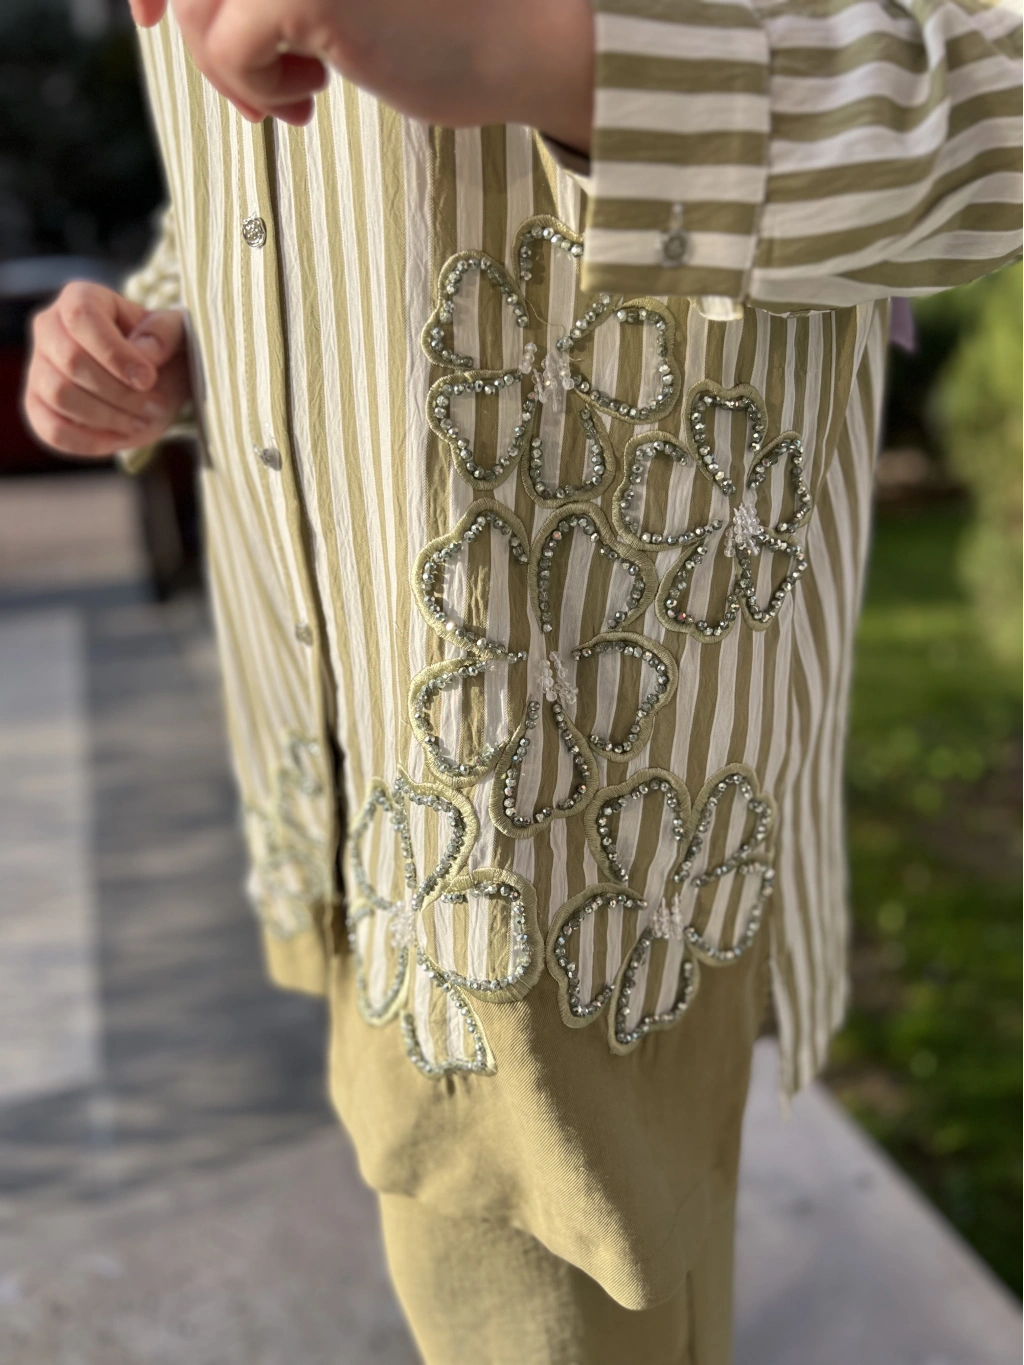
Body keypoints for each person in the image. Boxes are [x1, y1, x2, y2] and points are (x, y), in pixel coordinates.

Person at [23, 3, 1022, 1361]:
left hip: (580, 818)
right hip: (360, 767)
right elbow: (311, 200)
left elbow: (993, 96)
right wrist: (170, 336)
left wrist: (549, 54)